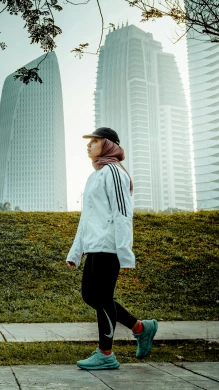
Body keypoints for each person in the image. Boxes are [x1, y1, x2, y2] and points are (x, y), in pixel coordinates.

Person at [66, 127, 158, 370]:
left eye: (94, 141)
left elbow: (122, 214)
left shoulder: (114, 173)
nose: (88, 145)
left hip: (110, 247)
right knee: (90, 295)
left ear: (108, 145)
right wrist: (75, 252)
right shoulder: (94, 176)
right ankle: (141, 328)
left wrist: (125, 254)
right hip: (95, 247)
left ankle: (105, 353)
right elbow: (86, 218)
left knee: (103, 298)